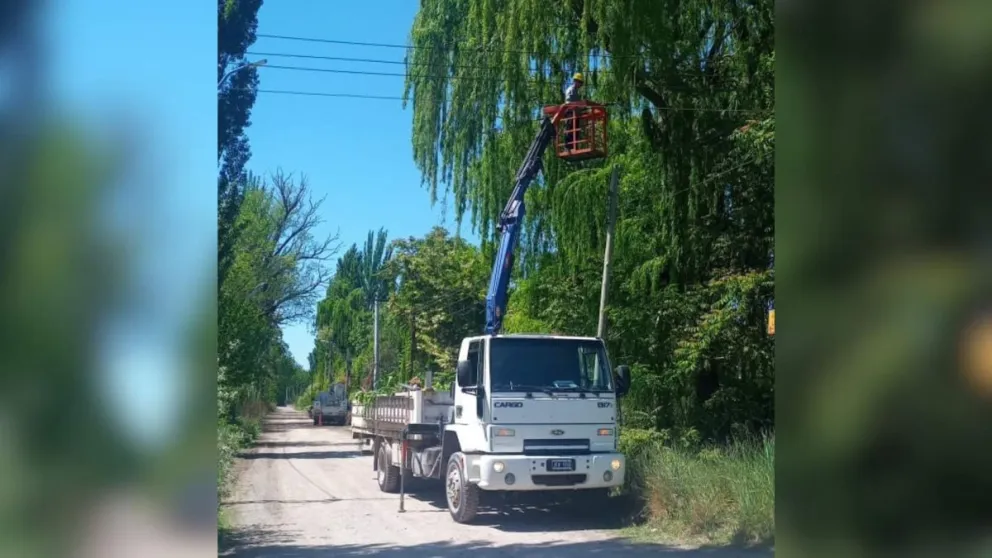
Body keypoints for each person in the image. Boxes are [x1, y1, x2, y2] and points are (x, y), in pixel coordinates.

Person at [563, 72, 585, 151]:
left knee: (575, 130)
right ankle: (568, 147)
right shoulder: (571, 90)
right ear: (576, 81)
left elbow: (578, 103)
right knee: (570, 130)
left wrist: (582, 108)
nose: (580, 85)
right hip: (570, 112)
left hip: (575, 113)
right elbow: (569, 102)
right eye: (580, 83)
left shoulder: (575, 91)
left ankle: (574, 146)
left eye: (581, 83)